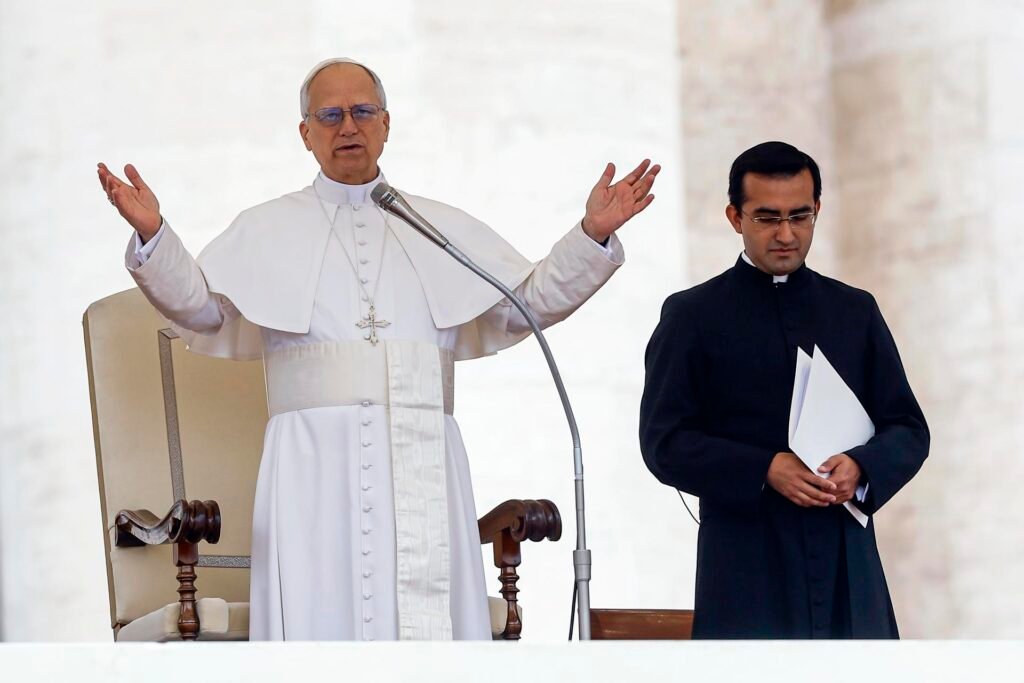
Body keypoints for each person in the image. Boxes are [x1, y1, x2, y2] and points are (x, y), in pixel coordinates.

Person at [97, 57, 660, 641]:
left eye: (363, 112)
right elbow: (201, 311)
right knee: (320, 621)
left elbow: (522, 305)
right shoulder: (265, 228)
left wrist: (590, 235)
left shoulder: (434, 225)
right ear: (305, 133)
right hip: (310, 467)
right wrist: (154, 238)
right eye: (331, 115)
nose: (349, 127)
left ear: (386, 124)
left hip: (424, 457)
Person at [639, 141, 927, 639]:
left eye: (800, 216)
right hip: (747, 562)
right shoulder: (692, 316)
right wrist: (763, 467)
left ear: (818, 209)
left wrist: (861, 466)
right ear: (735, 217)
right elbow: (664, 442)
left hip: (846, 558)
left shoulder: (855, 311)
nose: (787, 235)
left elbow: (907, 428)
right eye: (767, 218)